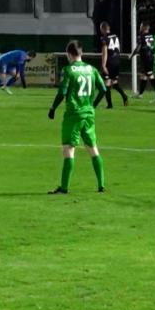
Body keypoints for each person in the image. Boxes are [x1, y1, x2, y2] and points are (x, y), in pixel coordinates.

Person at [47, 40, 107, 195]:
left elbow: (62, 92)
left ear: (69, 54)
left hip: (73, 114)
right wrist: (93, 105)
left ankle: (64, 188)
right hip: (88, 114)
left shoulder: (68, 70)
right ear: (81, 53)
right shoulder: (92, 69)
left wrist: (53, 108)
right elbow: (104, 89)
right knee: (93, 148)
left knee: (68, 149)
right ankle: (101, 185)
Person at [94, 21, 129, 108]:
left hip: (109, 63)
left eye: (101, 29)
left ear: (103, 29)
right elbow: (118, 49)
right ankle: (124, 96)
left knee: (107, 84)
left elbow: (105, 52)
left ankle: (109, 104)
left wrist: (103, 65)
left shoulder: (104, 38)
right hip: (116, 62)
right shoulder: (115, 36)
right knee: (115, 83)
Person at [130, 22, 155, 98]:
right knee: (143, 76)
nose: (140, 27)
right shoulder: (151, 36)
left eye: (141, 26)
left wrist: (132, 55)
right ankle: (140, 94)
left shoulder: (141, 36)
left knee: (150, 75)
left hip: (146, 58)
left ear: (144, 27)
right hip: (150, 57)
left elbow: (138, 48)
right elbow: (152, 46)